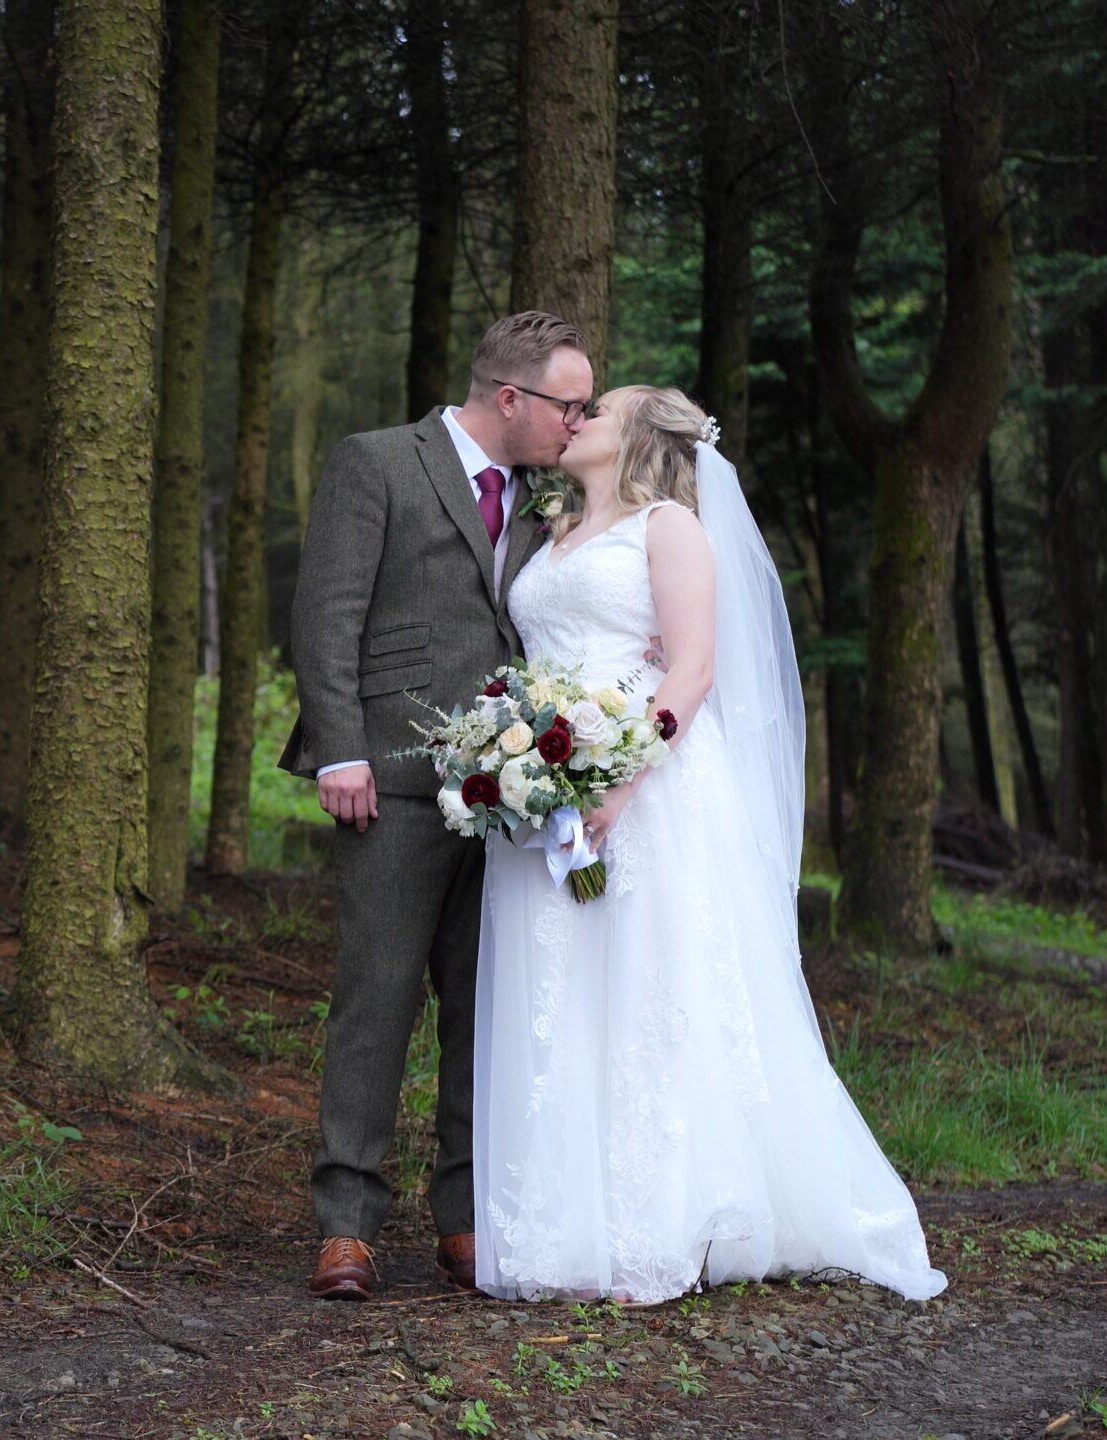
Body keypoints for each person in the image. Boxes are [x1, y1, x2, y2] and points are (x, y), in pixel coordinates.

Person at [472, 385, 947, 1305]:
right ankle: (564, 1226)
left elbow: (693, 669)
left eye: (597, 413)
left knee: (651, 994)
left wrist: (619, 780)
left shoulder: (670, 530)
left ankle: (660, 1223)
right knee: (560, 998)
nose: (578, 422)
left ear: (639, 439)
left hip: (646, 792)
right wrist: (517, 758)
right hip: (549, 794)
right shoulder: (552, 529)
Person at [280, 311, 588, 1299]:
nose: (575, 424)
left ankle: (462, 1220)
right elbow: (326, 612)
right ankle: (345, 1227)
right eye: (565, 405)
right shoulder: (376, 462)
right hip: (395, 781)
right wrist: (342, 752)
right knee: (375, 1000)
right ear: (510, 397)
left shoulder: (554, 494)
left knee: (482, 1012)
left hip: (513, 792)